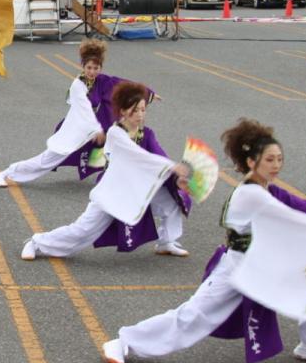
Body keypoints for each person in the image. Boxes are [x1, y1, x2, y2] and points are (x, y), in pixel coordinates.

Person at [102, 119, 306, 363]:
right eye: (269, 160)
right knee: (192, 316)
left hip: (261, 262)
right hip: (237, 268)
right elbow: (294, 221)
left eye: (279, 159)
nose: (276, 165)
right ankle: (125, 341)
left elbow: (304, 207)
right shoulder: (252, 195)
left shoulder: (267, 189)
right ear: (251, 162)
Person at [21, 81, 191, 260]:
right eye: (135, 110)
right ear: (123, 111)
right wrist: (171, 166)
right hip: (113, 191)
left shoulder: (147, 134)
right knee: (82, 230)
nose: (140, 114)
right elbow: (138, 156)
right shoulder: (115, 133)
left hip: (138, 188)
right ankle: (36, 243)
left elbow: (158, 154)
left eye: (143, 109)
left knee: (172, 201)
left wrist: (175, 177)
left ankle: (166, 242)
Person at [0, 40, 153, 187]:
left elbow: (124, 85)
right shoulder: (78, 85)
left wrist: (148, 92)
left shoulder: (103, 80)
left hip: (94, 132)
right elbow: (84, 108)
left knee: (116, 149)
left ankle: (125, 179)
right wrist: (95, 129)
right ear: (83, 66)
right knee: (46, 161)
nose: (92, 71)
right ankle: (8, 172)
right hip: (77, 130)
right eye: (89, 68)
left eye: (96, 68)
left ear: (100, 68)